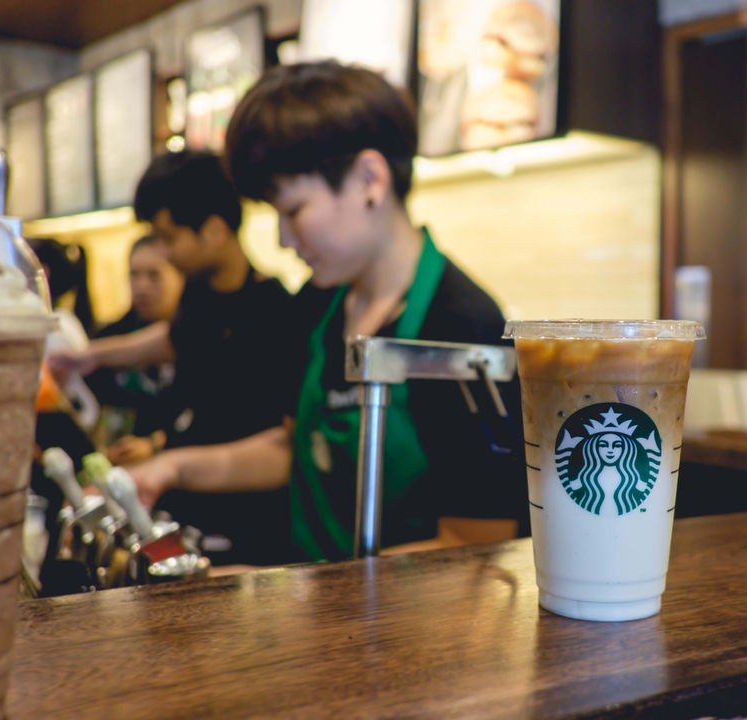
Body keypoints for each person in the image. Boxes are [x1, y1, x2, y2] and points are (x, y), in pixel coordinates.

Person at [128, 60, 527, 564]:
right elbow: (292, 448)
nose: (283, 239)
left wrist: (315, 600)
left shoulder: (460, 327)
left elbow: (478, 545)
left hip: (412, 632)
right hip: (326, 614)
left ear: (369, 179)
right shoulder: (319, 306)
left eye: (293, 211)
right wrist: (172, 468)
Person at [47, 150, 298, 565]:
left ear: (214, 231)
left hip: (245, 532)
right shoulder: (202, 295)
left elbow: (282, 447)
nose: (164, 253)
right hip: (185, 510)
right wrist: (88, 358)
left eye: (169, 238)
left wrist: (168, 462)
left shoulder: (275, 313)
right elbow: (173, 339)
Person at [84, 234, 184, 465]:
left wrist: (154, 444)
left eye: (153, 275)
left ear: (181, 276)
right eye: (134, 275)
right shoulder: (107, 339)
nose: (141, 286)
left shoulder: (197, 338)